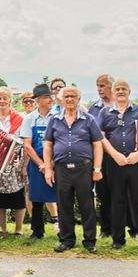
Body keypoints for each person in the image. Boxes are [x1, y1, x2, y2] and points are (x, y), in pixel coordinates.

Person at [44, 86, 104, 253]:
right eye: (67, 96)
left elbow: (97, 144)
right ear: (62, 100)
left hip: (83, 168)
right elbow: (48, 145)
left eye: (73, 96)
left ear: (79, 99)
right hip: (62, 169)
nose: (69, 99)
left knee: (87, 205)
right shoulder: (54, 120)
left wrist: (97, 168)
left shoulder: (89, 119)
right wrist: (48, 168)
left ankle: (90, 240)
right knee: (64, 205)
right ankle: (67, 239)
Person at [99, 80, 138, 250]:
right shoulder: (105, 112)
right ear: (113, 93)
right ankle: (118, 240)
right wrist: (115, 155)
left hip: (136, 162)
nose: (120, 91)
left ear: (129, 92)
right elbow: (100, 137)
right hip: (114, 163)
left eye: (124, 89)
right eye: (117, 89)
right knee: (117, 201)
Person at [19, 84, 58, 241]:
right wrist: (41, 164)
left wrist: (52, 162)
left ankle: (65, 230)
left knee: (60, 195)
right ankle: (37, 231)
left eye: (50, 97)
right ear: (38, 100)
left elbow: (60, 140)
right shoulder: (29, 119)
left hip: (56, 161)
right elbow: (27, 144)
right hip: (36, 163)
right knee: (36, 198)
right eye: (47, 97)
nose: (50, 100)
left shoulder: (57, 117)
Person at [0, 87, 26, 237]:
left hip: (15, 161)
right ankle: (3, 228)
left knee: (18, 196)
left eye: (4, 98)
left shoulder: (19, 119)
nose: (2, 101)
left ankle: (19, 229)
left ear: (10, 100)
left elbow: (23, 140)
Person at [88, 73, 115, 239]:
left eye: (103, 85)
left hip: (118, 155)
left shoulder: (119, 105)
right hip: (100, 157)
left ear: (111, 86)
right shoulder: (94, 108)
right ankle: (106, 229)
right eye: (98, 85)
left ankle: (131, 228)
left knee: (121, 194)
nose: (99, 89)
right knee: (103, 193)